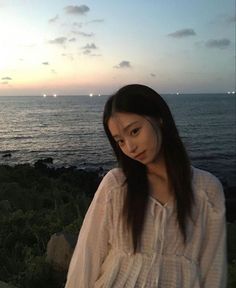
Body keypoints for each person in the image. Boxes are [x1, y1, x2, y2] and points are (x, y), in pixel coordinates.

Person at [65, 84, 227, 287]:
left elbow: (213, 269)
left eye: (134, 131)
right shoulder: (116, 184)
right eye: (120, 141)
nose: (130, 147)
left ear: (159, 119)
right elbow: (87, 256)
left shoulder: (206, 189)